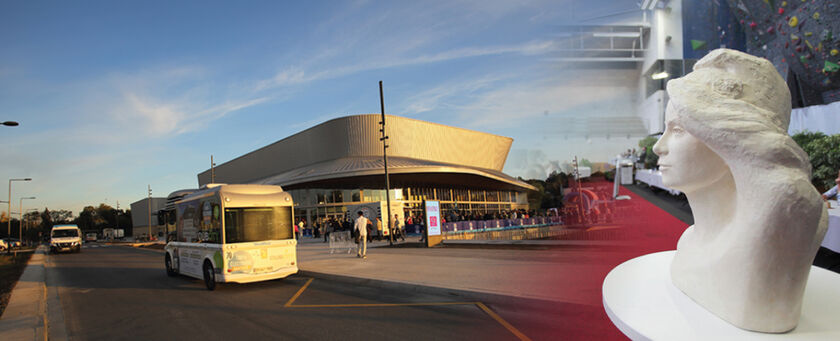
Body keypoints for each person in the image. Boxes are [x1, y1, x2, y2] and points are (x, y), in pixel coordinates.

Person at [653, 48, 826, 332]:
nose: (659, 147)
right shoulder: (689, 241)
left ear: (728, 138)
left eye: (679, 130)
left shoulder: (775, 228)